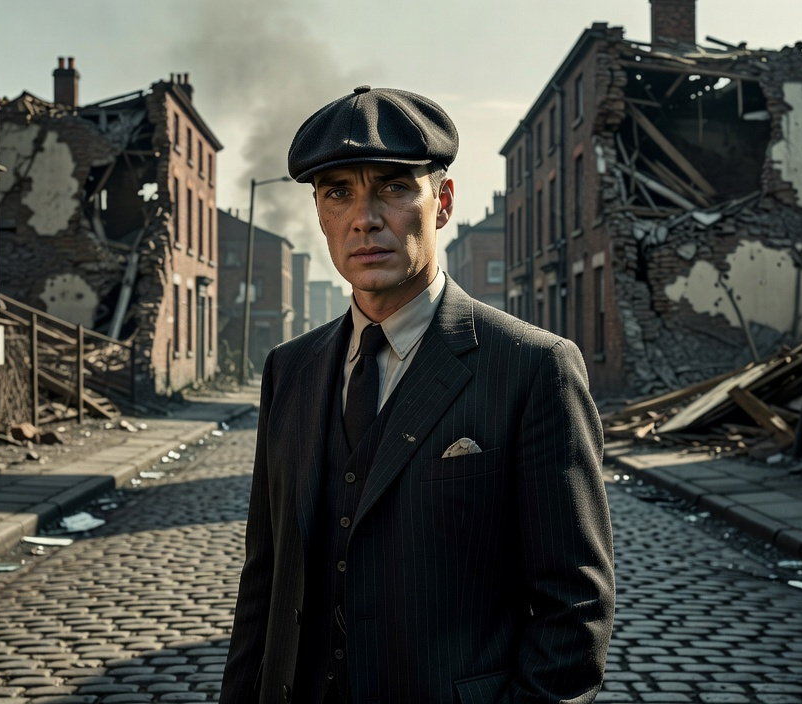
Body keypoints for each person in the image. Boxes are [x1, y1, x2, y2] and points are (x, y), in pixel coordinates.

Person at [221, 86, 615, 704]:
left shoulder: (533, 367)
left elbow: (575, 605)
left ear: (443, 202)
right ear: (320, 215)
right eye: (338, 193)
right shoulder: (289, 370)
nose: (365, 218)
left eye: (394, 188)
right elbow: (265, 582)